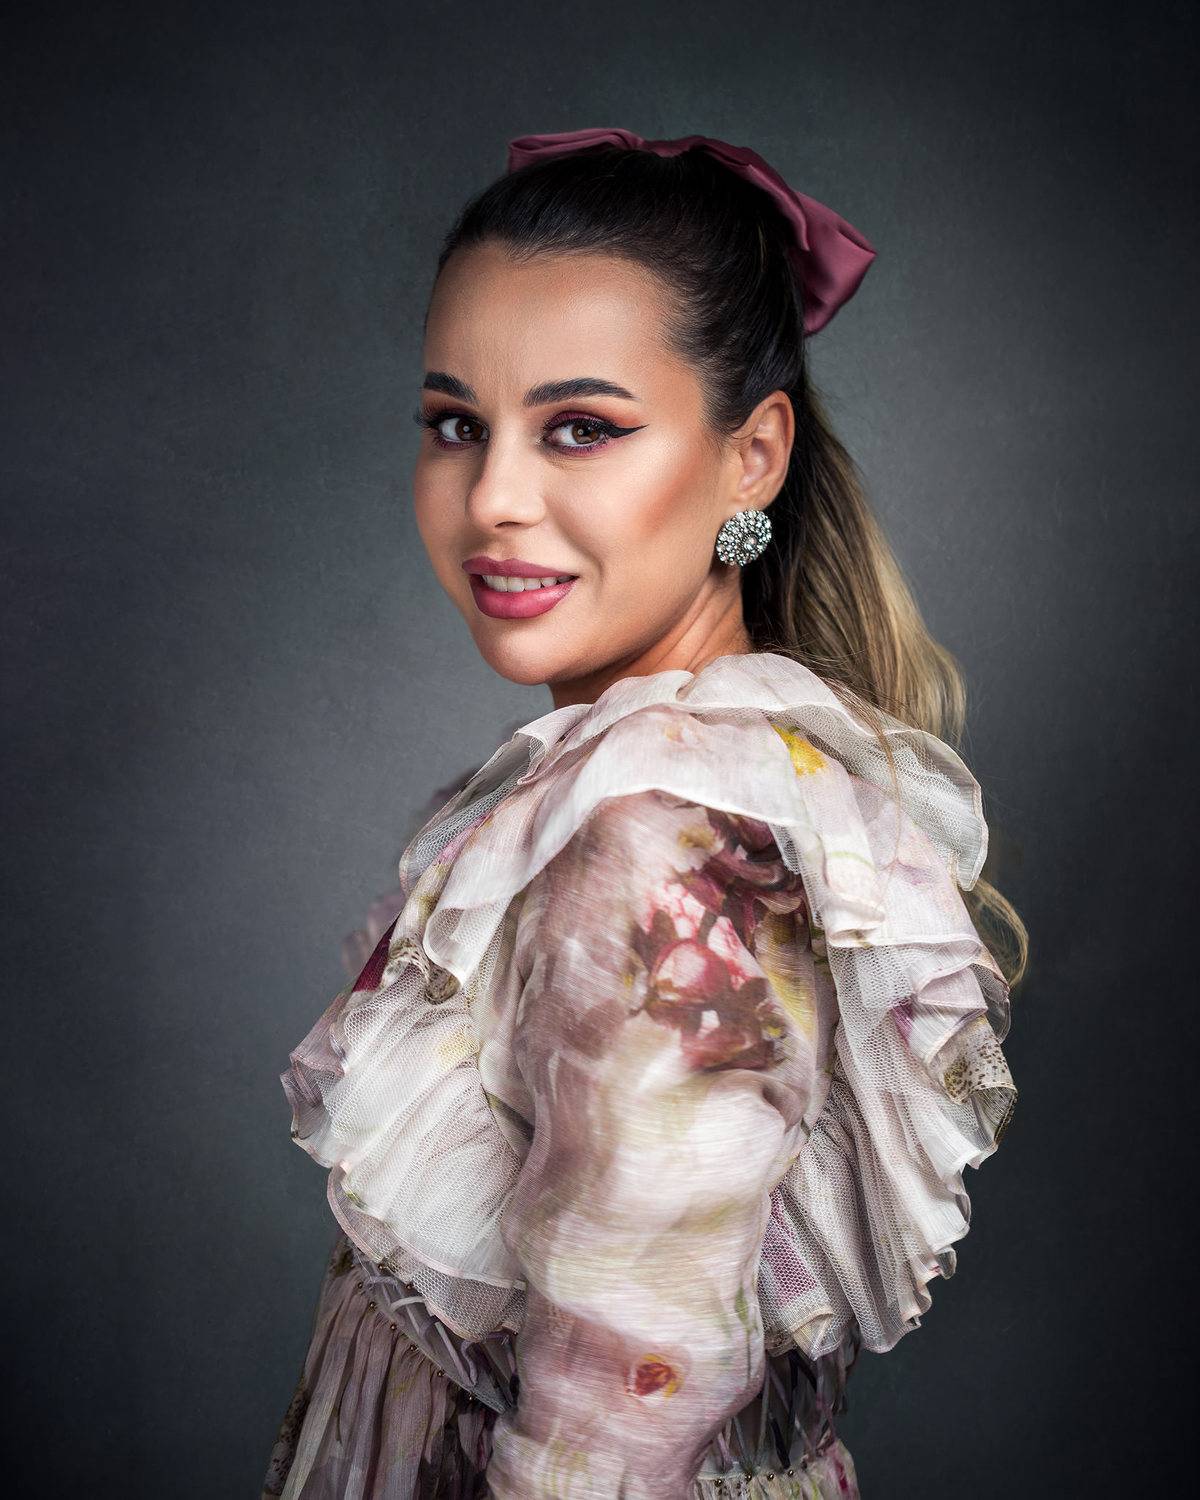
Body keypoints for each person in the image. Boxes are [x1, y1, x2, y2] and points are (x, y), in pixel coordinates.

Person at [261, 127, 1024, 1500]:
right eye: (456, 424)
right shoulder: (665, 776)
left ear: (753, 456)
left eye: (582, 428)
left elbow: (623, 1404)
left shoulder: (662, 833)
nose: (494, 498)